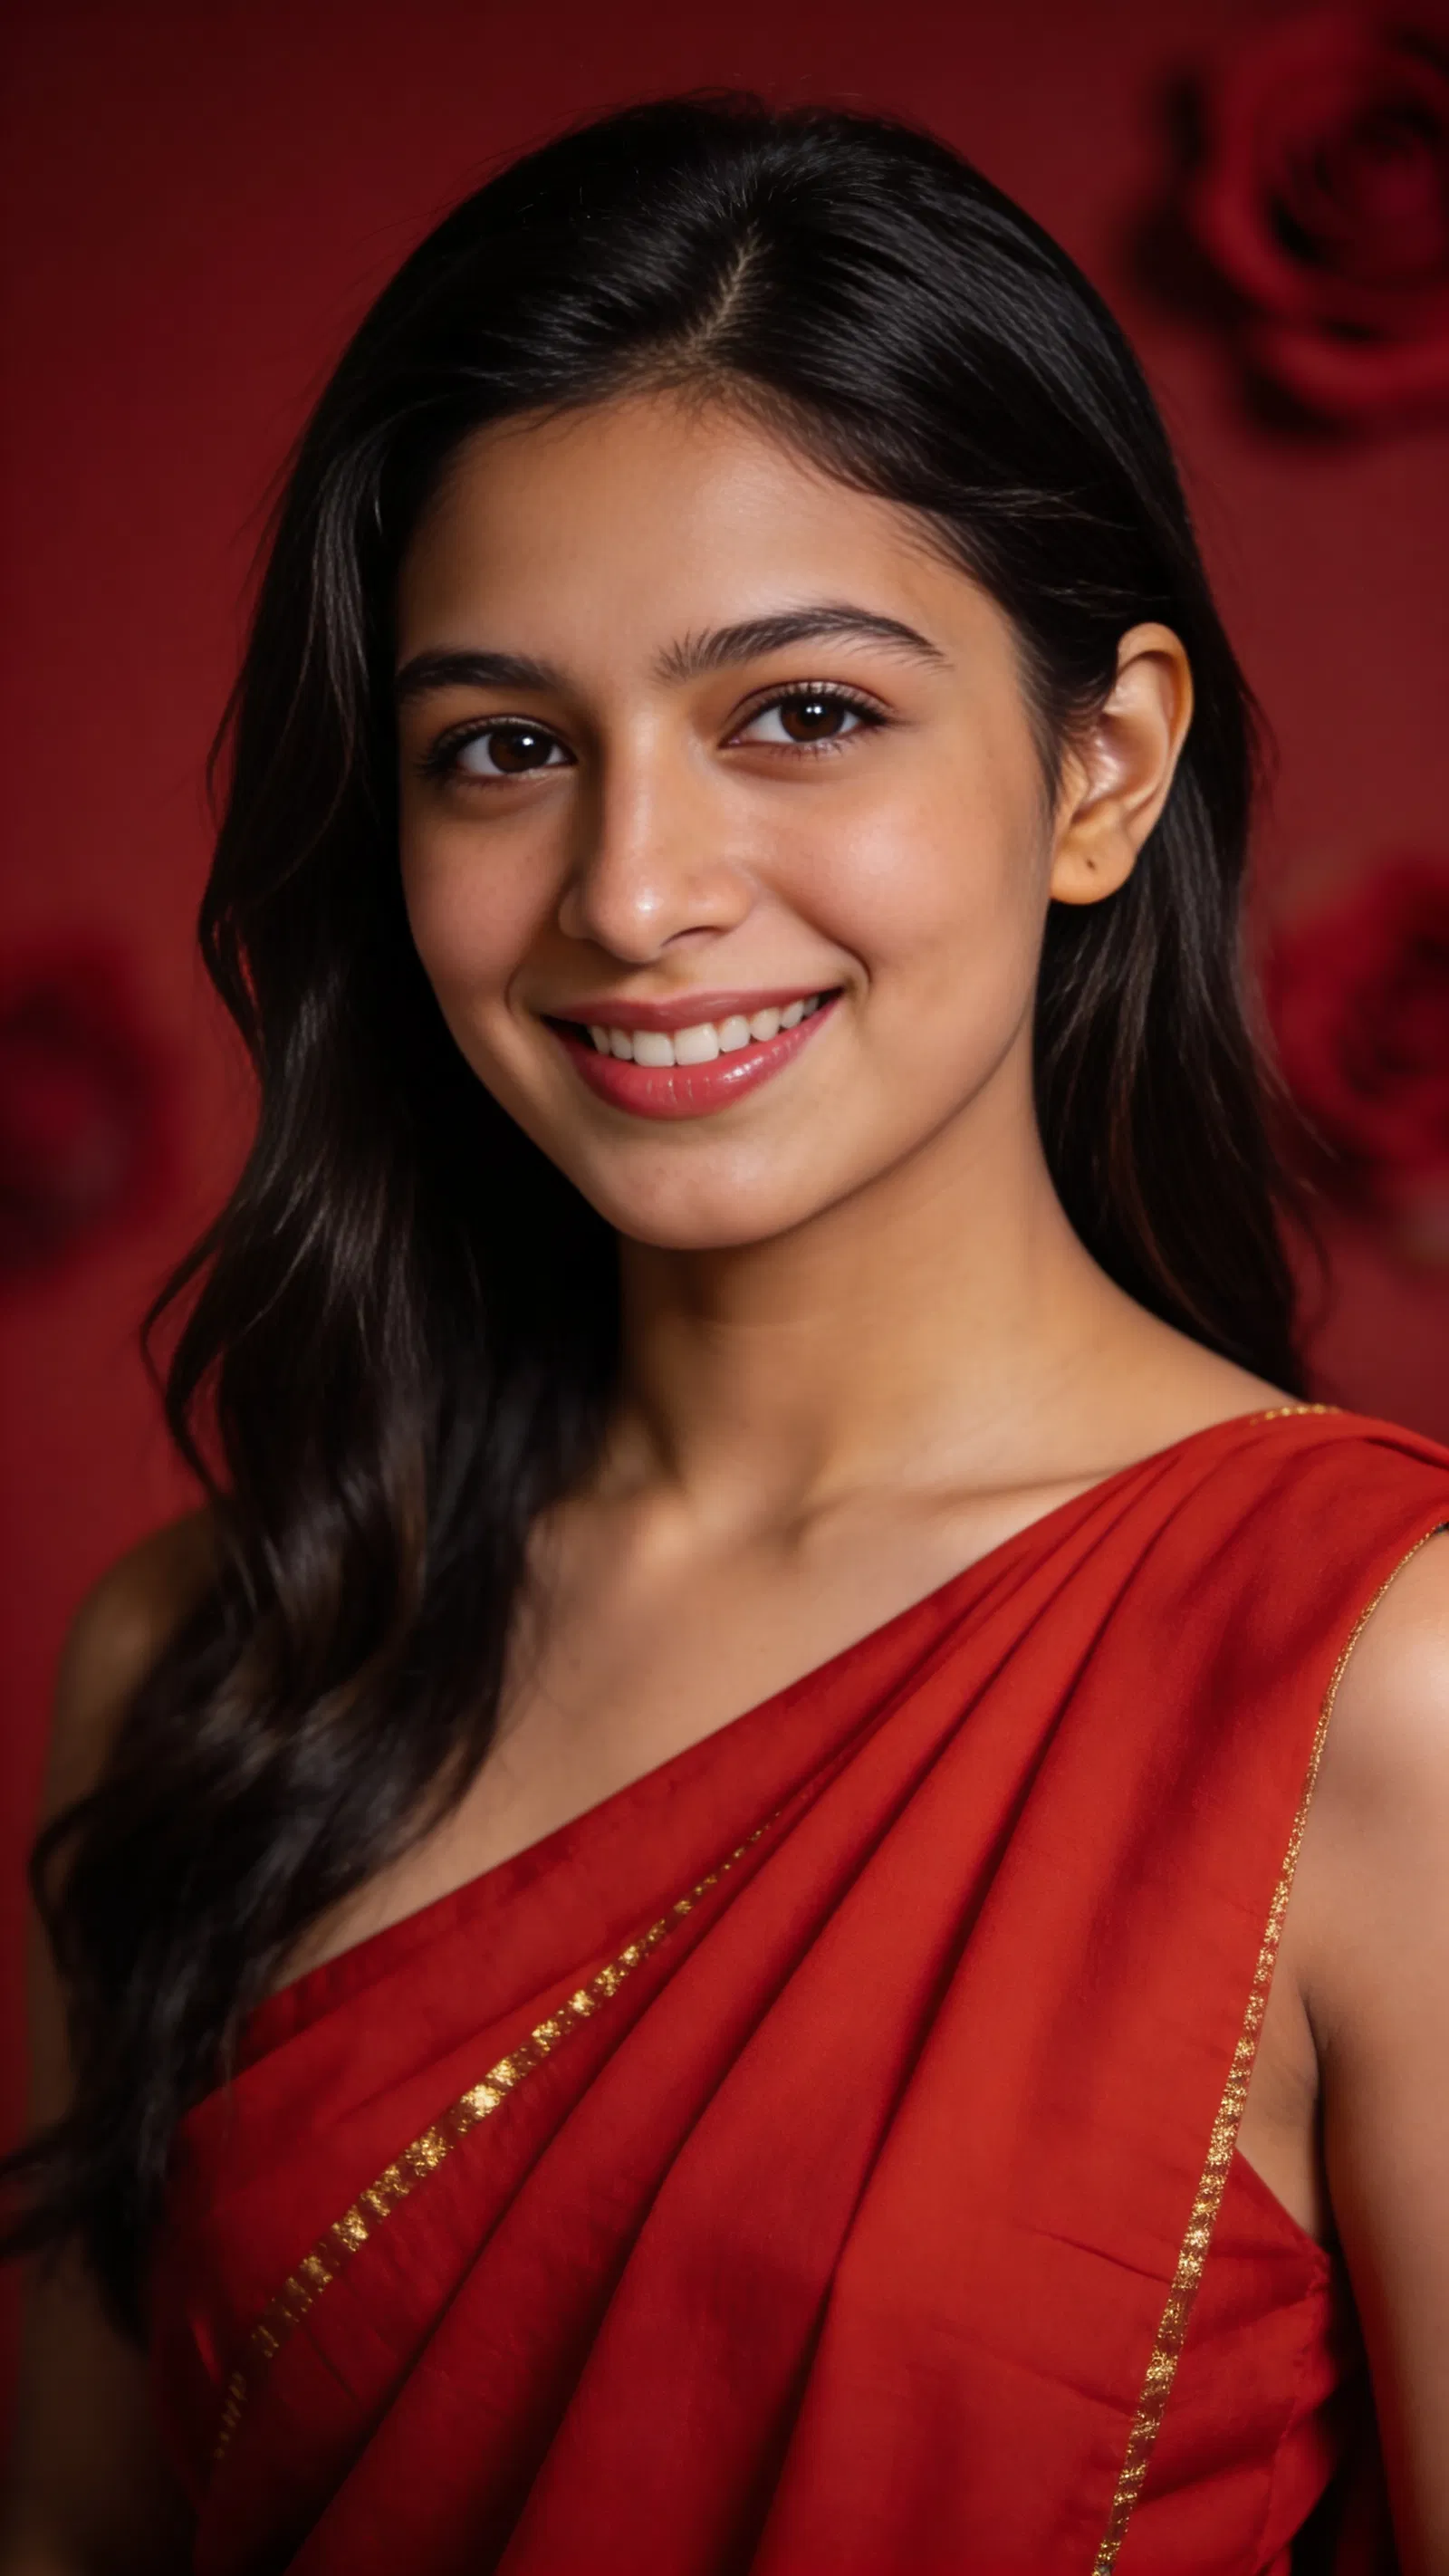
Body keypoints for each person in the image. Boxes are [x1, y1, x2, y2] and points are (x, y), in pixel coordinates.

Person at [2, 92, 1446, 2576]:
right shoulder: (221, 1655)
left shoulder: (1387, 1688)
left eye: (802, 712)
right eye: (505, 749)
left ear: (1102, 767)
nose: (634, 891)